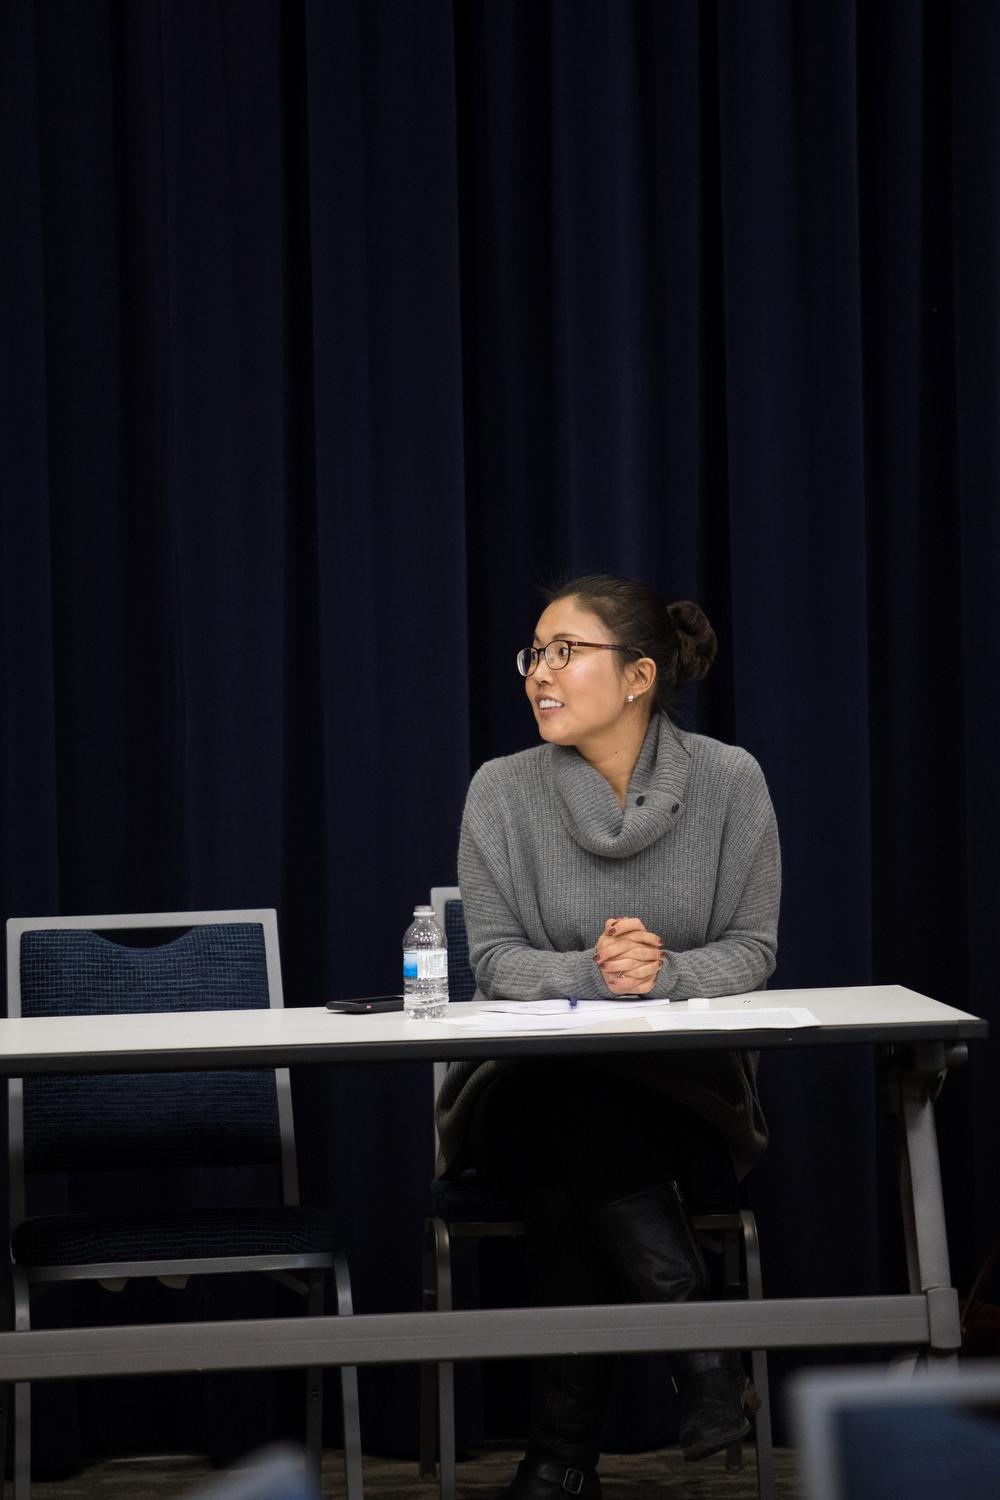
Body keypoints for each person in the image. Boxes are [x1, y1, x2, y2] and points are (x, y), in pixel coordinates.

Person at [435, 573, 781, 1499]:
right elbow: (494, 960)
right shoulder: (501, 790)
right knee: (570, 1097)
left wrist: (664, 975)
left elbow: (752, 947)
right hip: (521, 1091)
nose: (538, 674)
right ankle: (702, 1357)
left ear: (638, 676)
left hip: (681, 1095)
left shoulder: (729, 781)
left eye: (564, 652)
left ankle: (559, 1467)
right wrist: (595, 975)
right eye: (534, 654)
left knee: (573, 1173)